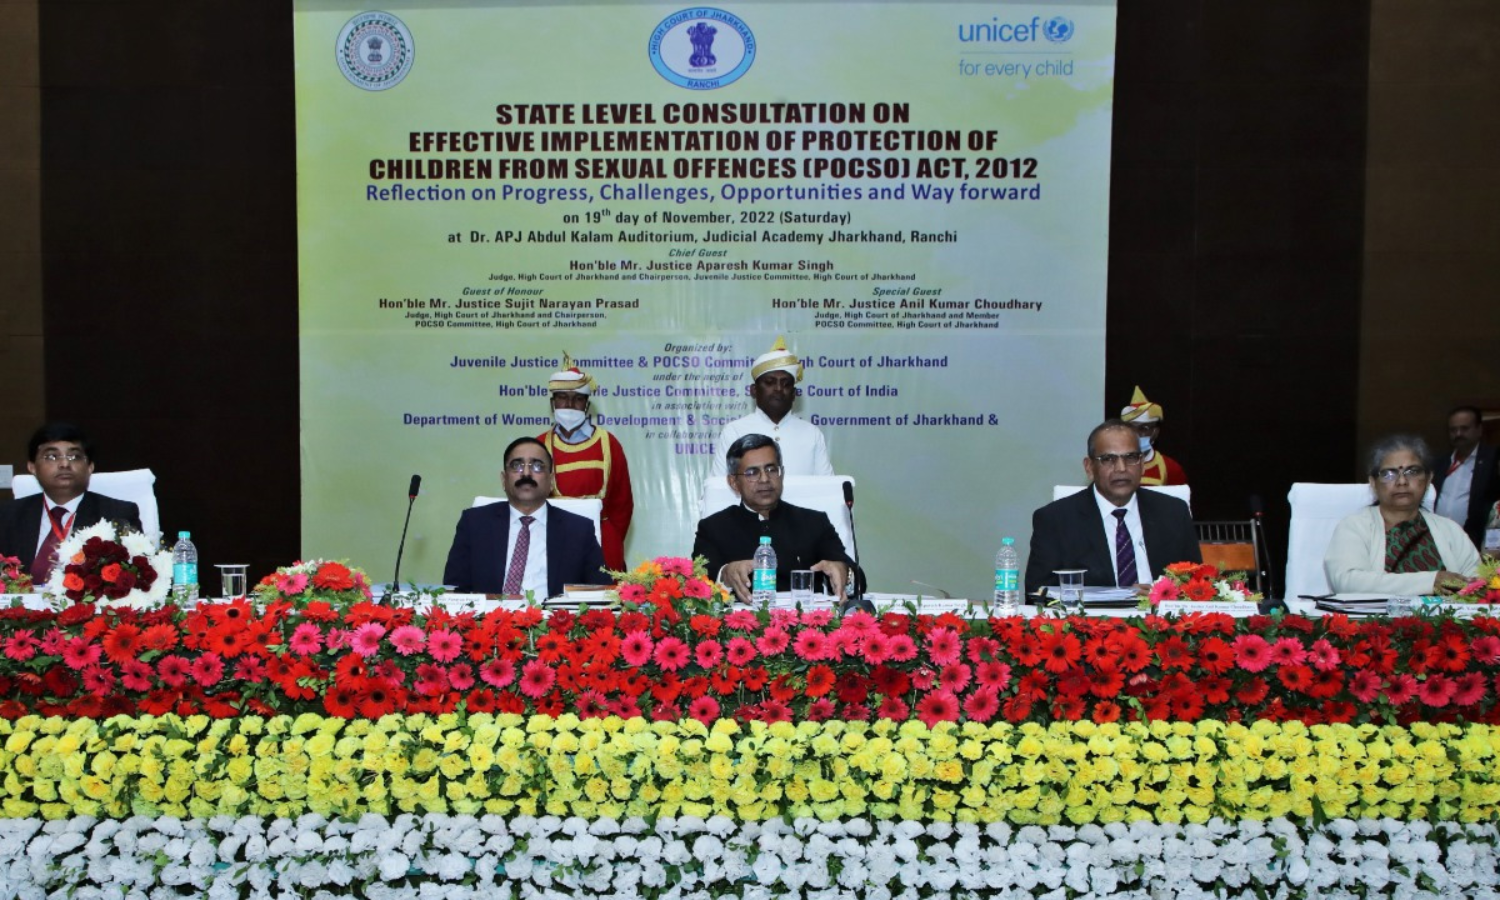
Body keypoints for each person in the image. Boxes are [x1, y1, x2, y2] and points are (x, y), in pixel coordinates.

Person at [1025, 420, 1201, 594]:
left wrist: (1162, 597)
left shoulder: (1173, 512)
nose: (1121, 468)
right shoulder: (1056, 519)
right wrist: (1116, 595)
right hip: (1090, 613)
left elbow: (1197, 585)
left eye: (1131, 457)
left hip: (1157, 611)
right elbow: (1037, 591)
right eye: (1108, 459)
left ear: (1142, 465)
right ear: (1089, 467)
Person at [442, 436, 610, 596]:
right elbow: (455, 590)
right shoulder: (474, 523)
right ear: (504, 479)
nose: (526, 474)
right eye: (517, 466)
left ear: (551, 481)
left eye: (537, 466)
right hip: (489, 616)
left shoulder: (579, 530)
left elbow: (599, 593)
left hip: (553, 616)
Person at [693, 433, 851, 602]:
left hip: (805, 616)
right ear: (733, 482)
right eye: (752, 472)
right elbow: (697, 582)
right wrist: (725, 575)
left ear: (782, 474)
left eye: (771, 469)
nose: (764, 479)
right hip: (741, 617)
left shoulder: (814, 522)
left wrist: (845, 573)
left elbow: (855, 576)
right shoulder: (713, 528)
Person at [1325, 434, 1479, 594]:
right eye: (1389, 474)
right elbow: (1348, 582)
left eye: (1412, 472)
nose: (1402, 481)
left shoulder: (1450, 530)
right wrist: (1430, 581)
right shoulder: (1354, 527)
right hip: (1378, 612)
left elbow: (1478, 584)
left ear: (1428, 479)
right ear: (1373, 483)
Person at [0, 422, 143, 581]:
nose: (64, 464)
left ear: (90, 467)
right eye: (52, 457)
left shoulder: (118, 515)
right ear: (32, 467)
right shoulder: (7, 516)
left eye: (74, 457)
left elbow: (133, 577)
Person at [534, 355, 634, 571]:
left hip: (602, 546)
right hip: (551, 546)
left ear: (587, 404)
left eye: (577, 398)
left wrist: (611, 541)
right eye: (562, 397)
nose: (569, 405)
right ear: (552, 403)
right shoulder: (538, 446)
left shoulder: (609, 444)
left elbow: (622, 505)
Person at [710, 337, 834, 478]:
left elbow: (828, 487)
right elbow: (718, 486)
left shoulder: (812, 434)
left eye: (786, 384)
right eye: (770, 382)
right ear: (754, 391)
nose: (779, 389)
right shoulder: (734, 432)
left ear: (794, 394)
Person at [1431, 405, 1498, 549]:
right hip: (1439, 540)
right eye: (1453, 430)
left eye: (1464, 428)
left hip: (1476, 540)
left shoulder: (1493, 460)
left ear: (1479, 430)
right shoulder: (1440, 462)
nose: (1458, 434)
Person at [1119, 386, 1187, 486]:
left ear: (1155, 432)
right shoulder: (1112, 466)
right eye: (1131, 429)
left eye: (1143, 428)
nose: (1136, 434)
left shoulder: (1170, 469)